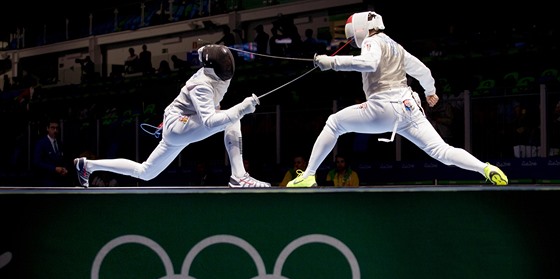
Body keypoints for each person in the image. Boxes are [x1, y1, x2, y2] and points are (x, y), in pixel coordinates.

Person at [287, 11, 508, 187]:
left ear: (362, 28)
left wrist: (332, 63)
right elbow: (423, 71)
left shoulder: (371, 42)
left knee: (334, 123)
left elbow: (370, 63)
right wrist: (430, 92)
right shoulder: (396, 47)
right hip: (409, 108)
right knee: (442, 151)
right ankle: (485, 168)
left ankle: (308, 175)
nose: (352, 38)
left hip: (383, 108)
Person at [73, 45, 270, 188]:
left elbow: (202, 52)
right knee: (233, 117)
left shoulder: (218, 74)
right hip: (179, 125)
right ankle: (239, 176)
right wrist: (241, 109)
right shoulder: (201, 84)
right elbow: (209, 122)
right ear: (211, 68)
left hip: (180, 125)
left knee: (146, 172)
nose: (228, 68)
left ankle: (87, 165)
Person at [33, 119, 70, 186]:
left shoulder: (60, 143)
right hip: (46, 180)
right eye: (52, 128)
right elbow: (37, 162)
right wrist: (54, 169)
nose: (55, 130)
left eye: (57, 128)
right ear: (47, 129)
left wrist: (64, 168)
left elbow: (63, 159)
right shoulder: (41, 143)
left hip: (59, 180)